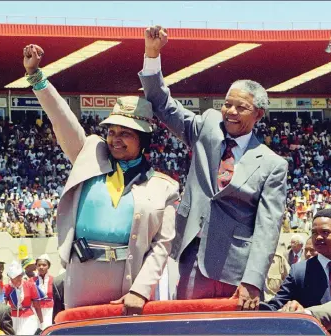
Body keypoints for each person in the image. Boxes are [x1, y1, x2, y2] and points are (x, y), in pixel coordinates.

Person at [23, 43, 179, 315]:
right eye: (112, 131)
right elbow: (62, 119)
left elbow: (162, 246)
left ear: (143, 141)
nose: (115, 139)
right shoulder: (89, 157)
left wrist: (140, 290)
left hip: (128, 284)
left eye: (126, 133)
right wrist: (36, 76)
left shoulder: (164, 187)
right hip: (81, 276)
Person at [140, 26, 288, 309]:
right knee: (190, 327)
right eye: (227, 104)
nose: (230, 112)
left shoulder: (272, 164)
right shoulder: (207, 126)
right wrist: (152, 54)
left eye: (240, 107)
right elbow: (162, 103)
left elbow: (268, 227)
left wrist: (253, 280)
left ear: (258, 114)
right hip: (192, 256)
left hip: (237, 270)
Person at [265, 209, 331, 334]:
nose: (318, 237)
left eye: (325, 232)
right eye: (314, 233)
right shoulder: (299, 272)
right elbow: (275, 306)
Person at [4, 261, 44, 335]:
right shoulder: (7, 287)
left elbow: (37, 306)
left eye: (19, 276)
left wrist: (41, 321)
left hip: (28, 317)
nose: (17, 279)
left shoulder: (30, 285)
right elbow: (3, 306)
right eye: (14, 278)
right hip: (13, 319)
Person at [29, 254, 54, 329]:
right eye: (39, 265)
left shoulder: (54, 280)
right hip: (36, 311)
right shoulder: (31, 281)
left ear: (48, 266)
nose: (41, 267)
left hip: (50, 311)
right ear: (36, 266)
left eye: (44, 265)